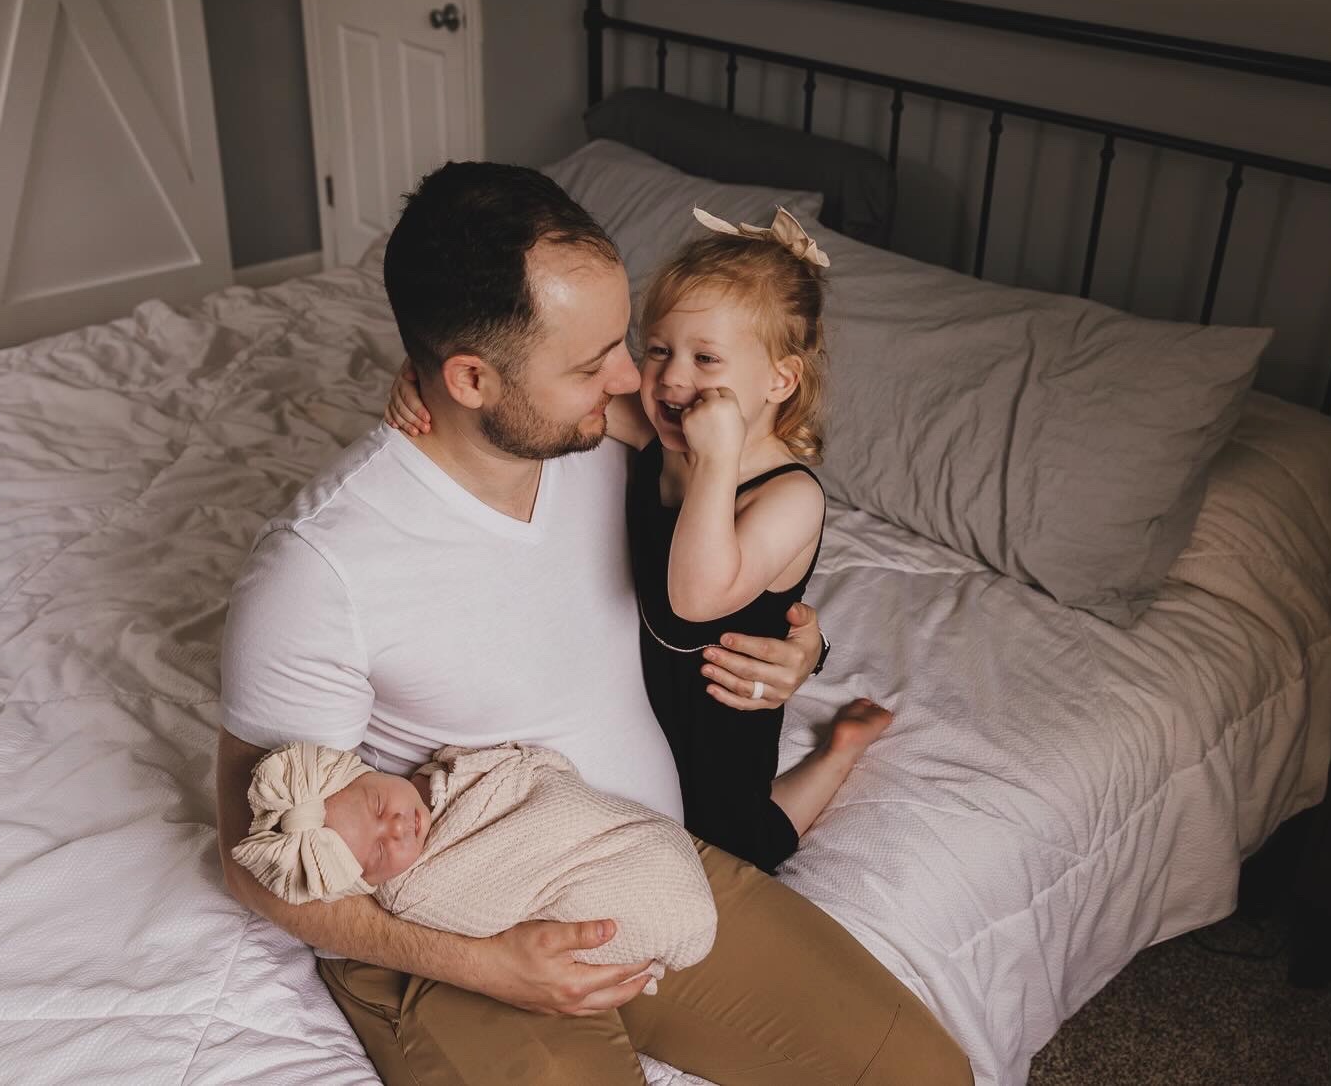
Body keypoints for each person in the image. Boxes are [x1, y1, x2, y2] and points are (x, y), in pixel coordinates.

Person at [215, 160, 972, 1085]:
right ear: (469, 378)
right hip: (455, 914)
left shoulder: (611, 437)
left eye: (630, 342)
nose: (639, 381)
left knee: (927, 1076)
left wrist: (800, 651)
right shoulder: (319, 569)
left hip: (642, 861)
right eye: (595, 362)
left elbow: (738, 564)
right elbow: (255, 862)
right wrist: (487, 966)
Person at [387, 205, 893, 874]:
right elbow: (535, 399)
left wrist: (713, 464)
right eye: (658, 350)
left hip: (721, 704)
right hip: (638, 684)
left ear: (780, 378)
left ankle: (838, 753)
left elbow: (694, 596)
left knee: (738, 837)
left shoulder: (788, 496)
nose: (672, 378)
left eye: (705, 358)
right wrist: (425, 378)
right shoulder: (659, 432)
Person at [230, 739, 717, 992]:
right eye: (380, 853)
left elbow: (531, 776)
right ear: (365, 882)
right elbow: (486, 899)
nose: (398, 828)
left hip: (646, 841)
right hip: (586, 893)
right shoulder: (416, 889)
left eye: (379, 806)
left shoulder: (444, 775)